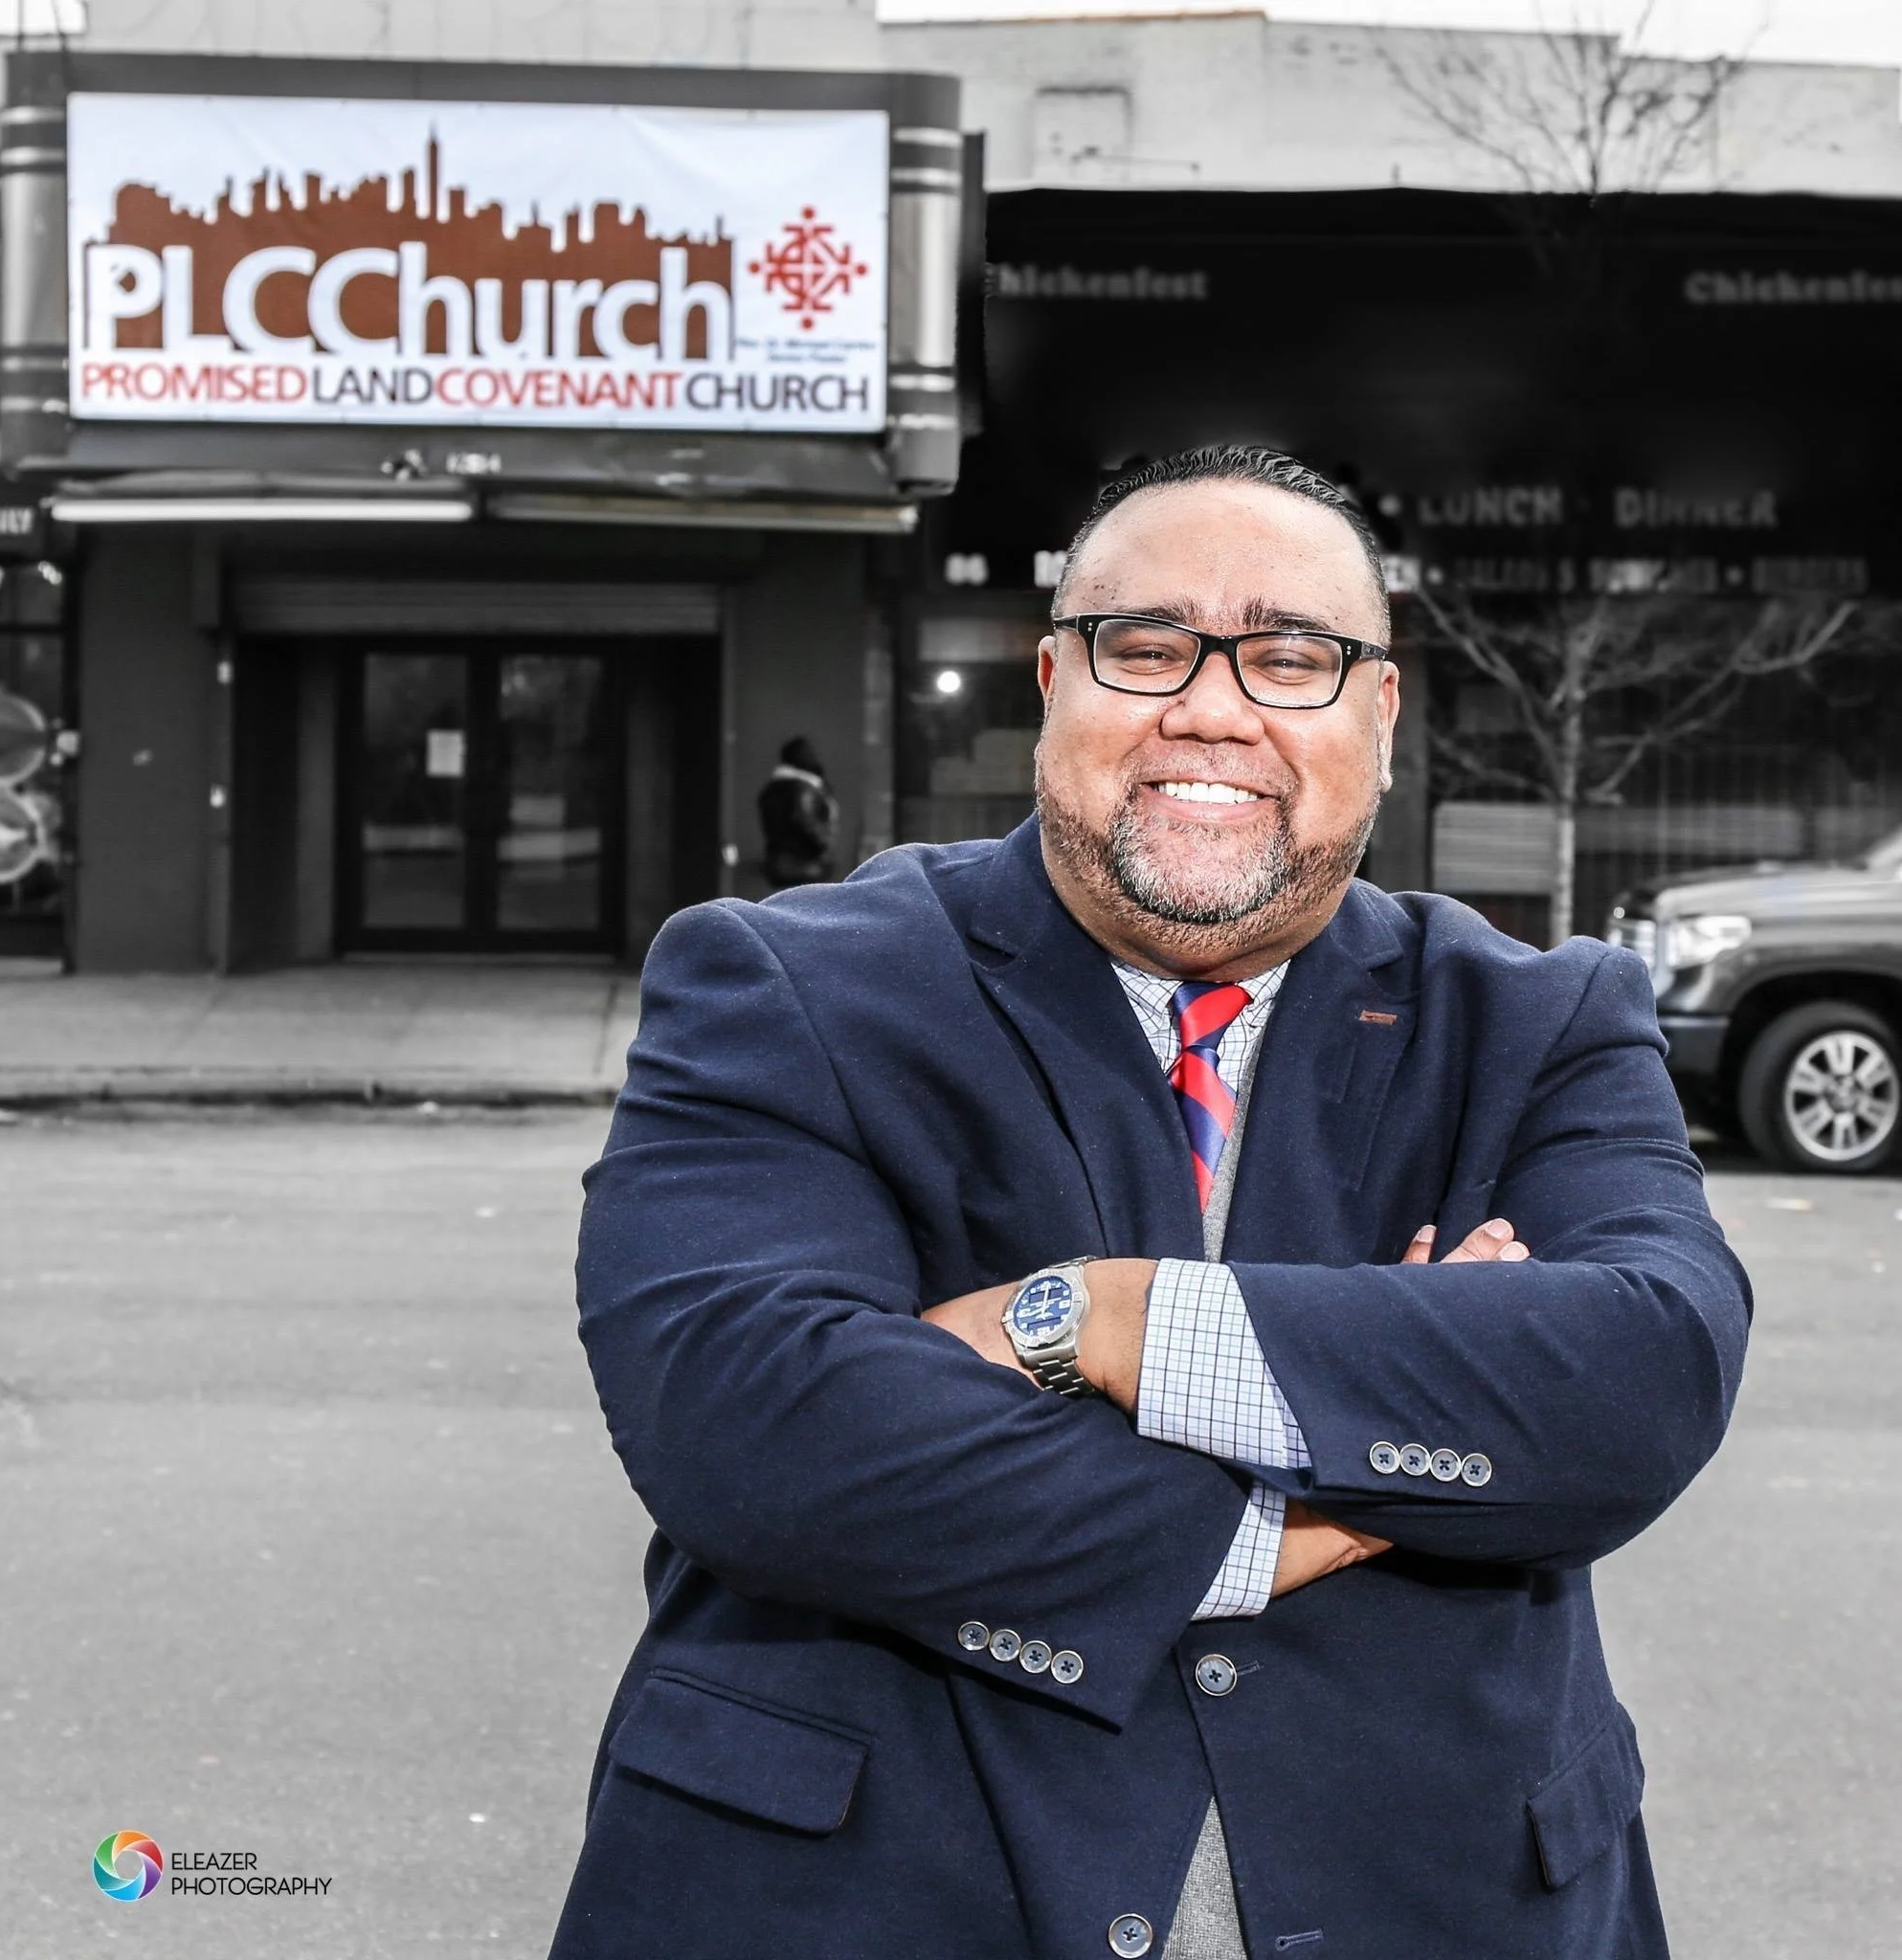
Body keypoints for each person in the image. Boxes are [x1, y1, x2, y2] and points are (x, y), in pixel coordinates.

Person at [549, 445, 1750, 1960]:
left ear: (1381, 717)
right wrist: (1324, 1468)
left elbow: (1637, 1383)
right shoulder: (783, 981)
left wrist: (1096, 1321)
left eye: (1293, 654)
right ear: (1052, 681)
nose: (1213, 703)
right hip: (866, 1905)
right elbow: (753, 1420)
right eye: (1147, 644)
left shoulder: (1543, 1019)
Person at [757, 734, 839, 886]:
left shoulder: (772, 789)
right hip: (805, 867)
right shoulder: (803, 789)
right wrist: (822, 849)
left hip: (779, 866)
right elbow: (805, 822)